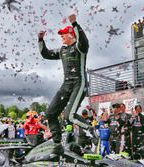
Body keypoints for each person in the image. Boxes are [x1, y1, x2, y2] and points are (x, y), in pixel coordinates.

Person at [38, 14, 89, 154]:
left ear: (71, 35)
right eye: (61, 35)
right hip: (66, 85)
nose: (61, 37)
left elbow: (84, 41)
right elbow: (46, 54)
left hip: (79, 83)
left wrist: (75, 23)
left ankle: (92, 131)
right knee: (50, 113)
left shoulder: (80, 47)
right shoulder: (62, 50)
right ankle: (57, 144)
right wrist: (41, 39)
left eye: (63, 34)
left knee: (69, 116)